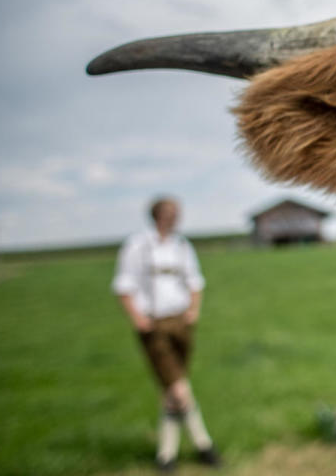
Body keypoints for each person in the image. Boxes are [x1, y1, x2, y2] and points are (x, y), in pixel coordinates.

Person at [112, 196, 220, 471]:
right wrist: (137, 318)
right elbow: (124, 285)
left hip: (180, 321)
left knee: (172, 388)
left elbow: (195, 281)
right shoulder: (138, 246)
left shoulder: (182, 246)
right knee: (179, 387)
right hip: (153, 323)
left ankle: (166, 454)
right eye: (169, 212)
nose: (174, 217)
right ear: (157, 215)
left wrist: (193, 310)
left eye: (176, 212)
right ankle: (203, 445)